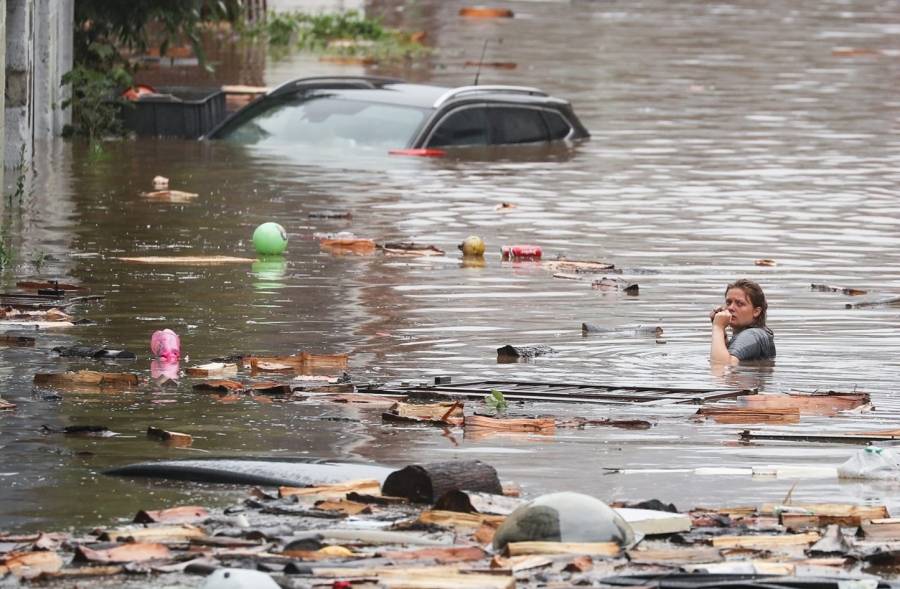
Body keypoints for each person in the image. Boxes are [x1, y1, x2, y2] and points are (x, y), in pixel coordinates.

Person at [710, 279, 775, 364]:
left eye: (739, 304)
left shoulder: (752, 335)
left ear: (756, 312)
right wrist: (722, 332)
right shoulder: (757, 334)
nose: (730, 308)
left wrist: (718, 327)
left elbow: (721, 366)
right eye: (729, 302)